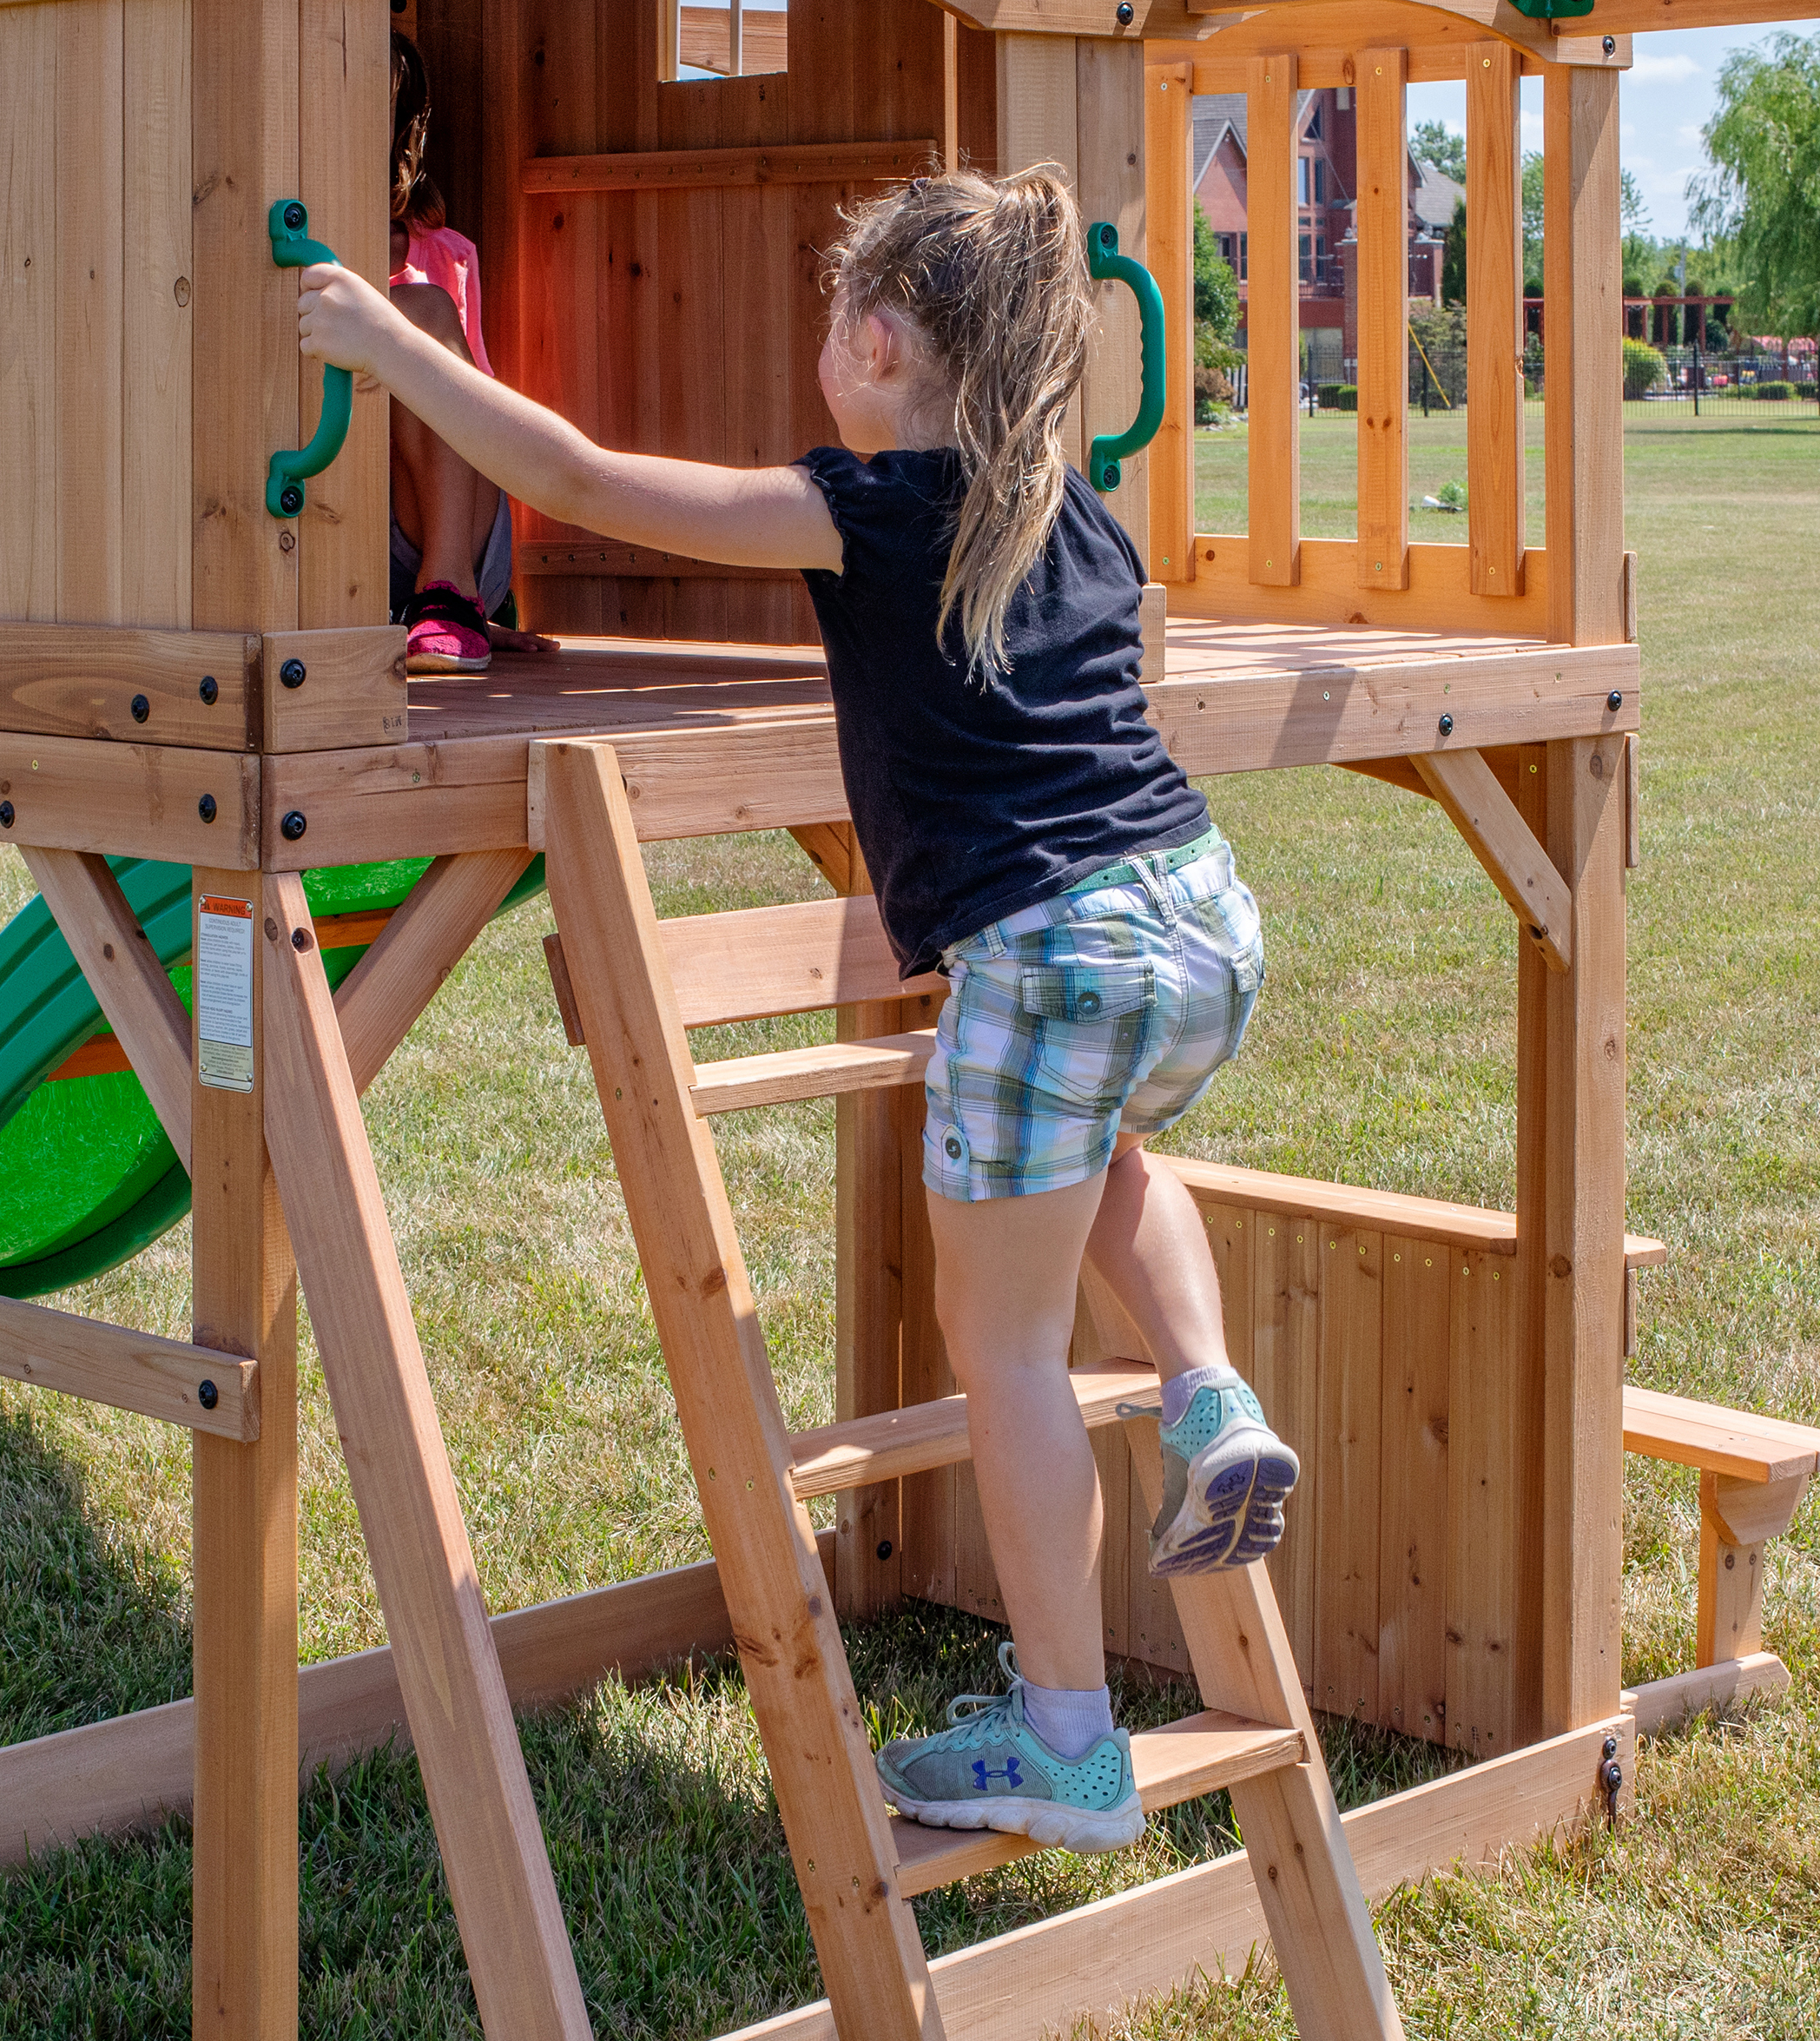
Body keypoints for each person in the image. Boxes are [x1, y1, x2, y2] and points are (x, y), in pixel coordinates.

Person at [295, 166, 1299, 1856]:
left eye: (838, 316)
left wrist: (380, 344)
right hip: (1199, 918)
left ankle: (1064, 1741)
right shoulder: (1070, 509)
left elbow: (576, 480)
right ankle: (1209, 1399)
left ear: (882, 339)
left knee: (1004, 1355)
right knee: (1109, 1154)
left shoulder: (871, 502)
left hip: (1052, 948)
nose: (822, 344)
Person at [385, 33, 551, 673]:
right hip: (333, 525)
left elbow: (473, 413)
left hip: (434, 530)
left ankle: (451, 595)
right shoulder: (283, 230)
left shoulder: (443, 251)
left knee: (422, 311)